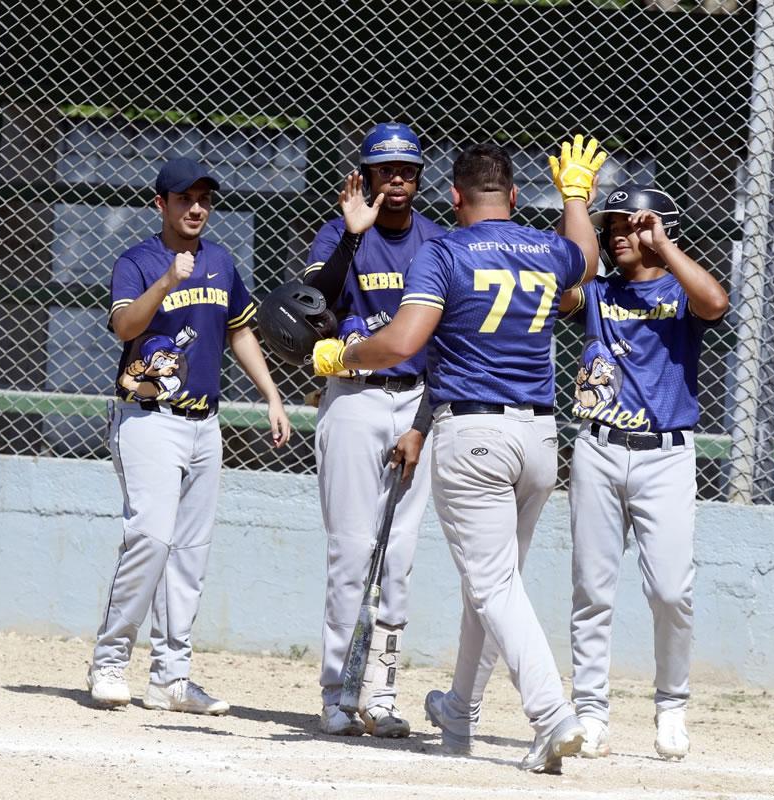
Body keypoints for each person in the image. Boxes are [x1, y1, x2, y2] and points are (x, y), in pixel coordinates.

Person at [312, 137, 605, 774]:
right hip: (540, 438)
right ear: (516, 195)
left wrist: (346, 356)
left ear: (453, 194)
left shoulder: (444, 249)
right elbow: (584, 258)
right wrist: (577, 196)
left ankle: (553, 713)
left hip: (473, 434)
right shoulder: (545, 246)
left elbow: (404, 341)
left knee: (492, 584)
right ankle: (460, 711)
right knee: (494, 584)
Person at [87, 157, 291, 713]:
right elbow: (125, 327)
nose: (197, 208)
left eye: (204, 198)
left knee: (190, 555)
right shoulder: (138, 261)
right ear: (162, 205)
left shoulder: (222, 261)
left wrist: (271, 394)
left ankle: (171, 678)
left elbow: (239, 329)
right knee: (149, 539)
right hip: (148, 420)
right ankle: (109, 661)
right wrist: (166, 282)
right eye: (185, 199)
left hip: (206, 425)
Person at [560, 185, 729, 760]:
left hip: (666, 455)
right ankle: (590, 711)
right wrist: (577, 205)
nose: (621, 235)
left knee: (670, 590)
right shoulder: (599, 292)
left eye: (633, 225)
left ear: (660, 228)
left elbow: (716, 304)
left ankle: (671, 705)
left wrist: (665, 244)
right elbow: (563, 287)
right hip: (599, 448)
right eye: (614, 228)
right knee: (592, 589)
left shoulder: (679, 291)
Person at [301, 122, 445, 738]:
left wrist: (421, 421)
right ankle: (337, 691)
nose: (395, 181)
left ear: (418, 178)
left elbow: (448, 344)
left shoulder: (438, 244)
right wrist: (351, 242)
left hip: (414, 401)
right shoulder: (339, 233)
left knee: (400, 558)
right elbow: (309, 305)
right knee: (351, 551)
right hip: (355, 398)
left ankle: (381, 696)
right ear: (364, 175)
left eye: (406, 170)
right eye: (384, 170)